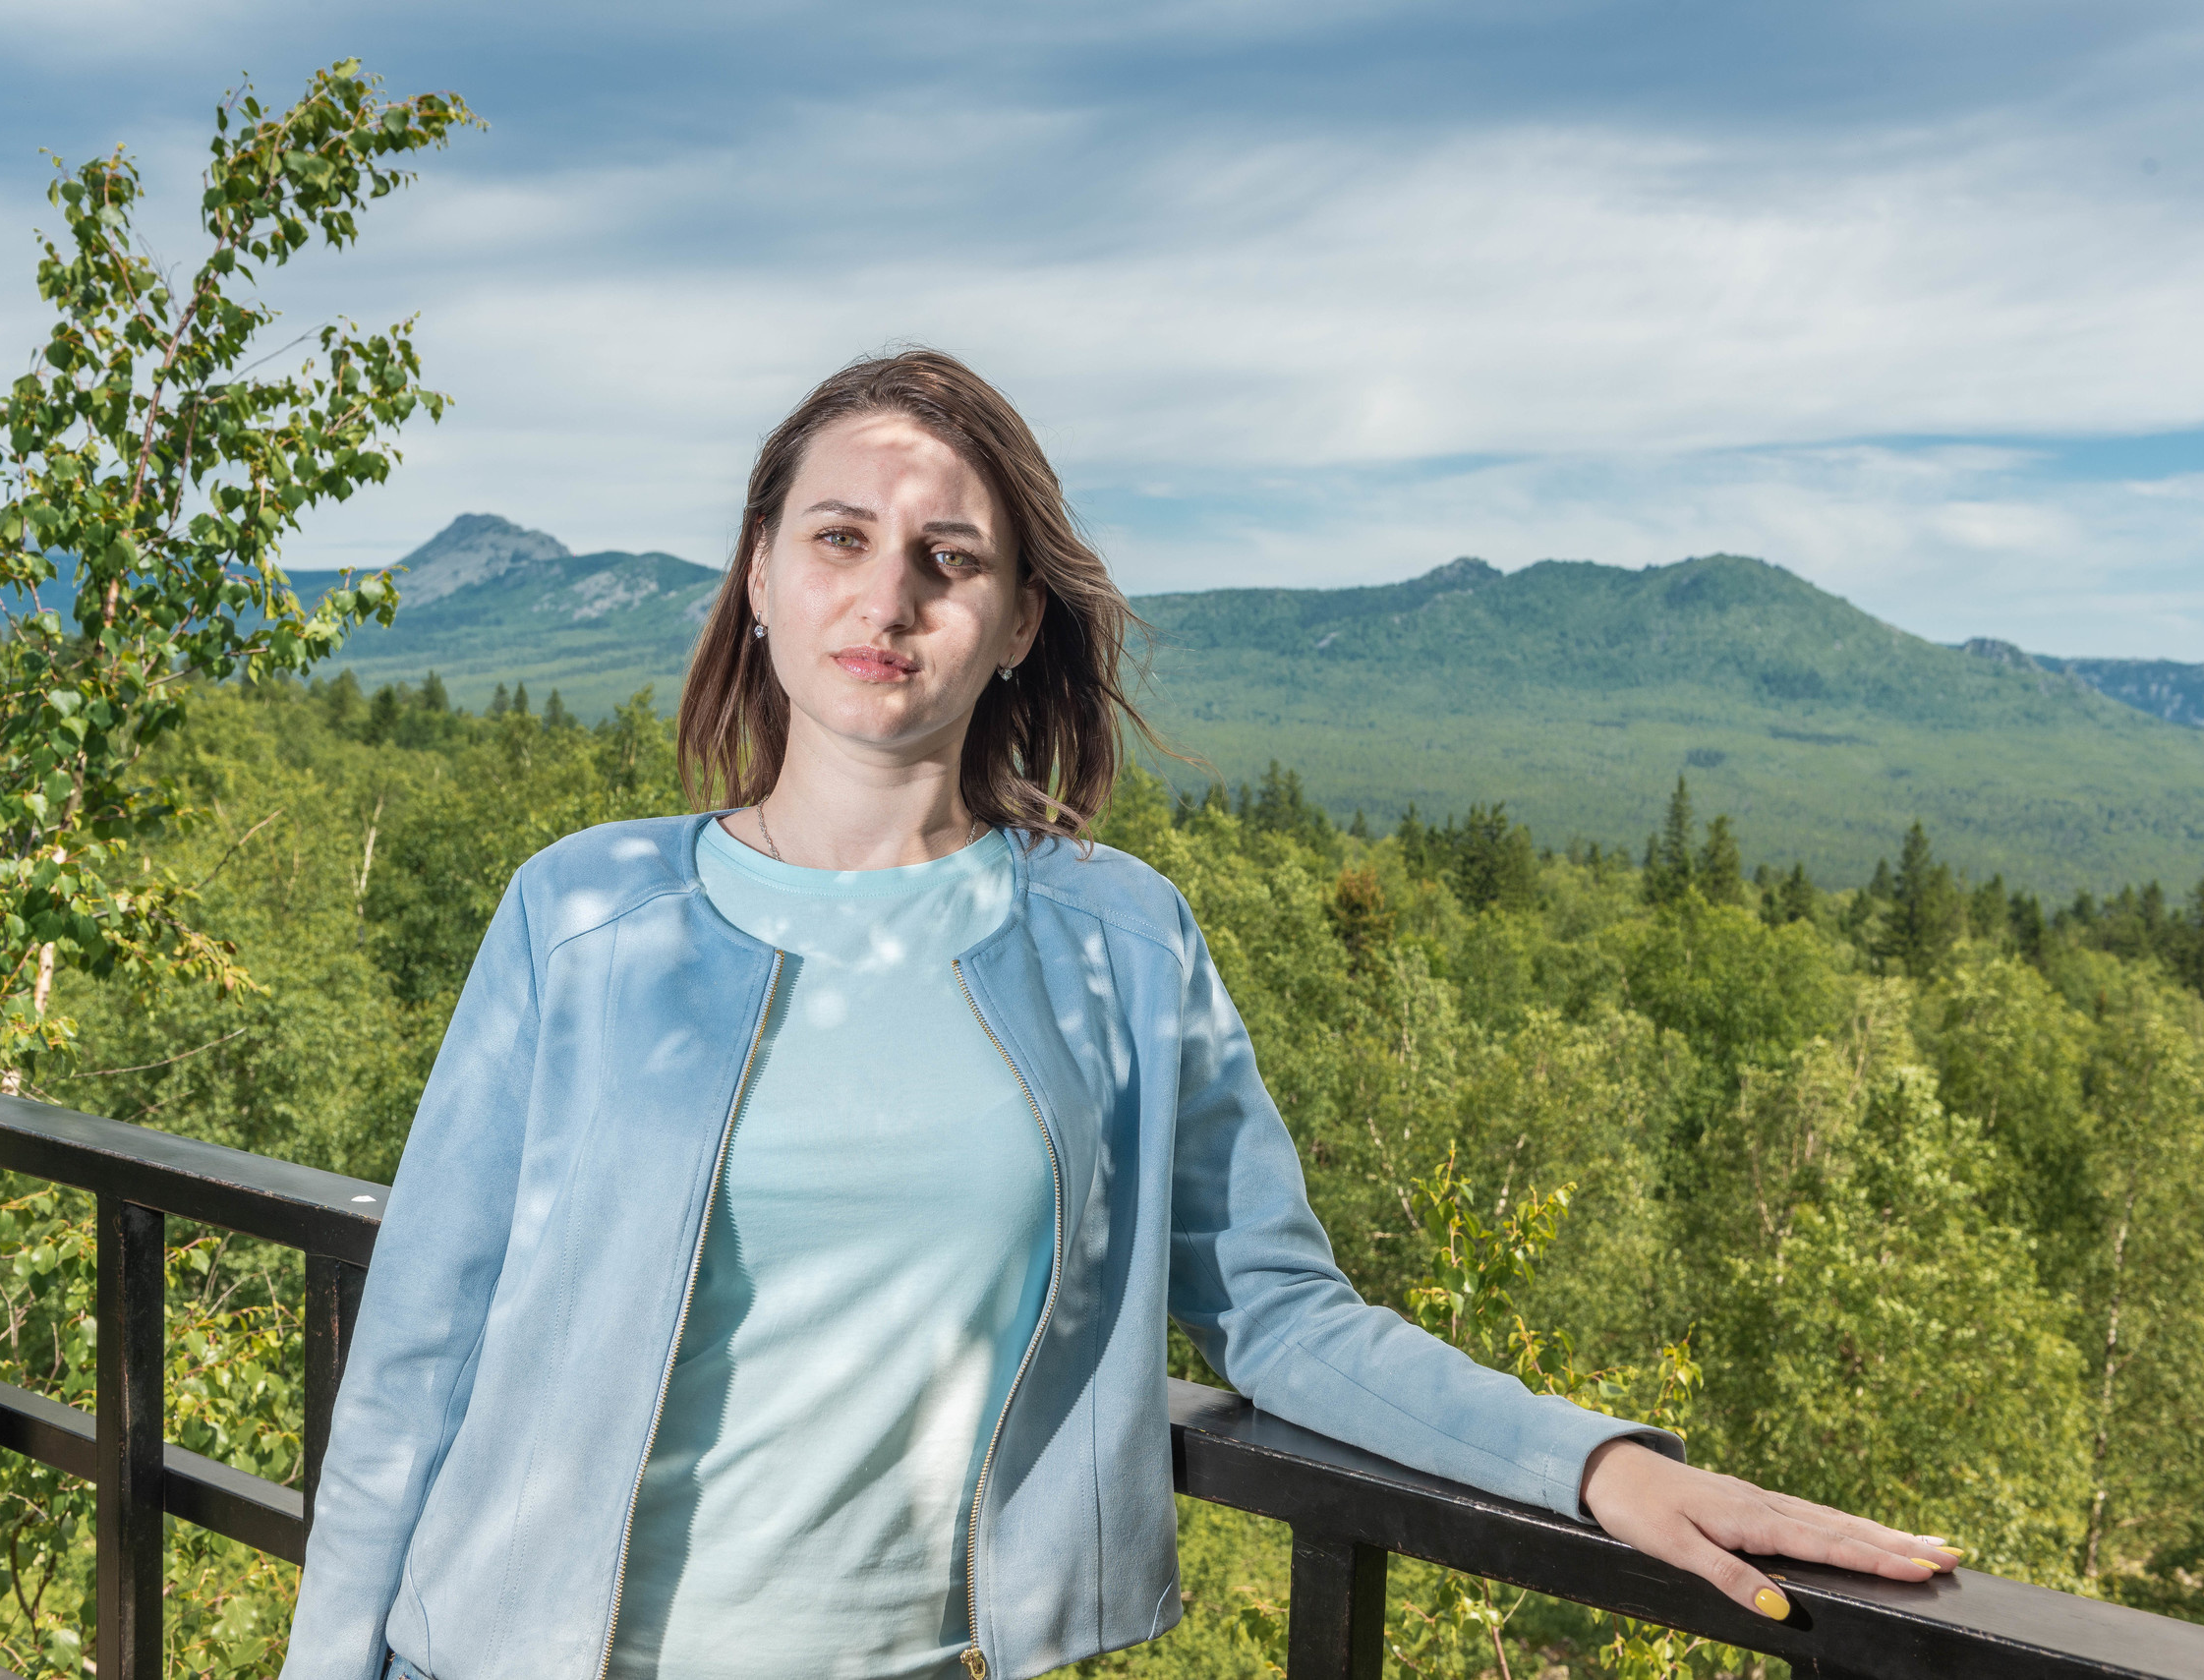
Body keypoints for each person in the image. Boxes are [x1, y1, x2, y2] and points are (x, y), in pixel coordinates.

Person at [282, 351, 1960, 1680]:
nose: (890, 600)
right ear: (762, 577)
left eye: (951, 560)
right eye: (840, 539)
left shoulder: (1116, 942)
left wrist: (1599, 1467)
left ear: (1015, 623)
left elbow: (1286, 1315)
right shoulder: (581, 914)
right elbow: (415, 1361)